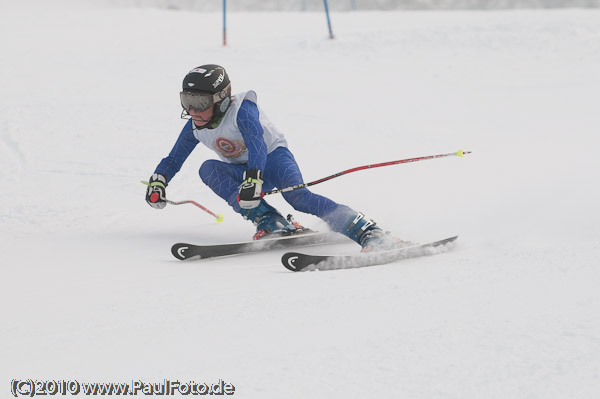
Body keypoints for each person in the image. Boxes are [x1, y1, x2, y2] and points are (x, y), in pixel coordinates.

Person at [145, 64, 398, 252]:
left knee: (298, 197)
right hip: (245, 172)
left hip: (273, 158)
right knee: (208, 168)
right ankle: (269, 219)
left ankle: (367, 230)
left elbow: (256, 143)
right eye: (187, 100)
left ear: (221, 99)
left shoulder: (242, 110)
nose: (192, 110)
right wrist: (159, 181)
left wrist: (254, 180)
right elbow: (174, 158)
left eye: (199, 101)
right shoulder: (196, 125)